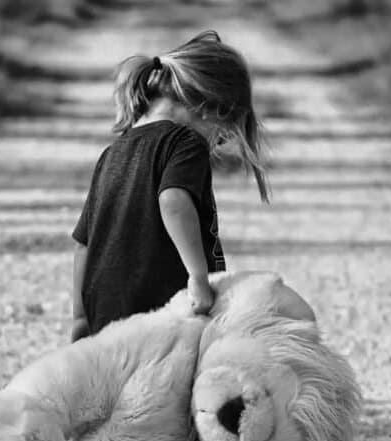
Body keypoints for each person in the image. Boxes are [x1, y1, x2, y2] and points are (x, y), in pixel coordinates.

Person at [71, 30, 269, 342]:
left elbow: (84, 244)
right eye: (223, 134)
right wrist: (198, 277)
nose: (219, 142)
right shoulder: (185, 141)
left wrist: (80, 317)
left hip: (105, 315)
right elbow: (173, 201)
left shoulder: (112, 152)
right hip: (162, 310)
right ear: (210, 107)